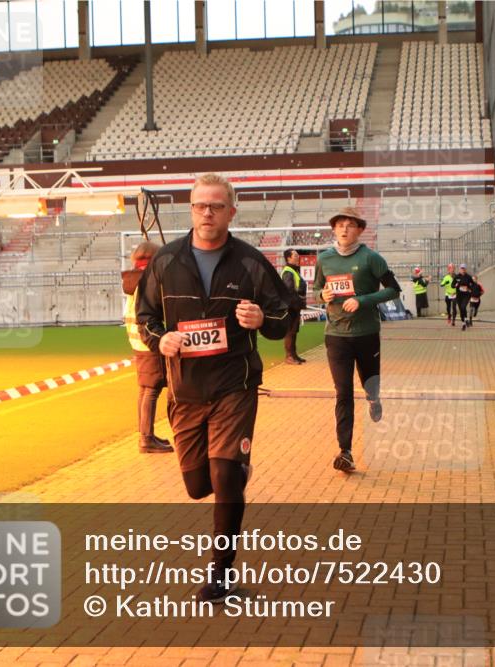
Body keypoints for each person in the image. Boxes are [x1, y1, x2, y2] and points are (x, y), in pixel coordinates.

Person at [136, 173, 291, 602]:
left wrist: (264, 321)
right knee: (198, 485)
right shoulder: (165, 262)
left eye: (217, 206)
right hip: (185, 391)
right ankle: (235, 473)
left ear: (231, 212)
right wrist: (160, 338)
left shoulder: (250, 262)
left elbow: (285, 315)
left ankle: (219, 577)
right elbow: (146, 316)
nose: (208, 212)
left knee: (224, 477)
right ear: (191, 209)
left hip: (234, 386)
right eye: (201, 205)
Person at [314, 206, 401, 473]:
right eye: (339, 224)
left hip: (366, 334)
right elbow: (318, 288)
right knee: (343, 393)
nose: (343, 229)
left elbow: (393, 290)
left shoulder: (371, 258)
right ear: (333, 229)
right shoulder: (324, 259)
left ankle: (374, 399)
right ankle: (345, 451)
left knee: (369, 383)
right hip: (336, 336)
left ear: (360, 230)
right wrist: (322, 296)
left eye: (350, 225)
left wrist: (362, 300)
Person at [122, 240, 173, 454]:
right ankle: (146, 438)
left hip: (136, 341)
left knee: (144, 390)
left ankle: (146, 435)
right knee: (152, 390)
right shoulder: (150, 280)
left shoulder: (133, 280)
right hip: (149, 341)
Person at [280, 248, 307, 364]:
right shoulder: (288, 272)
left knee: (294, 331)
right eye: (295, 255)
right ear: (288, 258)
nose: (298, 257)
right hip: (291, 307)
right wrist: (296, 304)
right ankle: (289, 357)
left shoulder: (294, 271)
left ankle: (294, 355)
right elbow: (289, 291)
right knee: (290, 331)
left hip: (295, 306)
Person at [454, 264, 475, 331]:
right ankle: (464, 322)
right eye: (462, 268)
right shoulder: (457, 277)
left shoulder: (468, 277)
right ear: (460, 269)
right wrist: (456, 285)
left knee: (463, 307)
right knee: (461, 310)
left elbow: (473, 284)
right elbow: (452, 285)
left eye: (464, 269)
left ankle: (465, 321)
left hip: (466, 295)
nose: (463, 270)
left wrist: (469, 288)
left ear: (465, 269)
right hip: (459, 295)